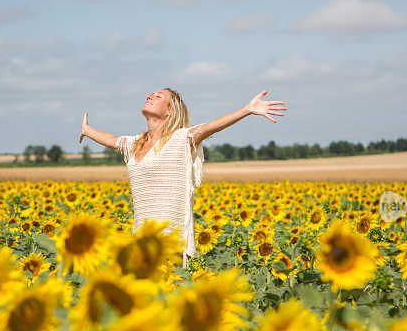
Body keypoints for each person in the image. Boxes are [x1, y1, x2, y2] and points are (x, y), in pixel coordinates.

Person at [79, 88, 286, 266]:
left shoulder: (180, 139)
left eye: (158, 96)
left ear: (169, 111)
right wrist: (87, 130)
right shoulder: (135, 144)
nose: (149, 96)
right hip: (141, 242)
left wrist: (247, 110)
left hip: (172, 243)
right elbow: (112, 140)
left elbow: (210, 127)